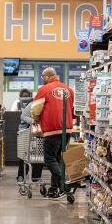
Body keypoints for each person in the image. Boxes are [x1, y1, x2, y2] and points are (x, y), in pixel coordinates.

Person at [31, 67, 74, 198]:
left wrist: (36, 119)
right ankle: (54, 189)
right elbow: (74, 111)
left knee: (49, 159)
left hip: (51, 129)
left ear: (48, 76)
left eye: (42, 76)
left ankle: (65, 182)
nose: (42, 79)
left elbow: (35, 110)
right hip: (67, 130)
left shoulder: (44, 90)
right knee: (57, 159)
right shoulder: (69, 89)